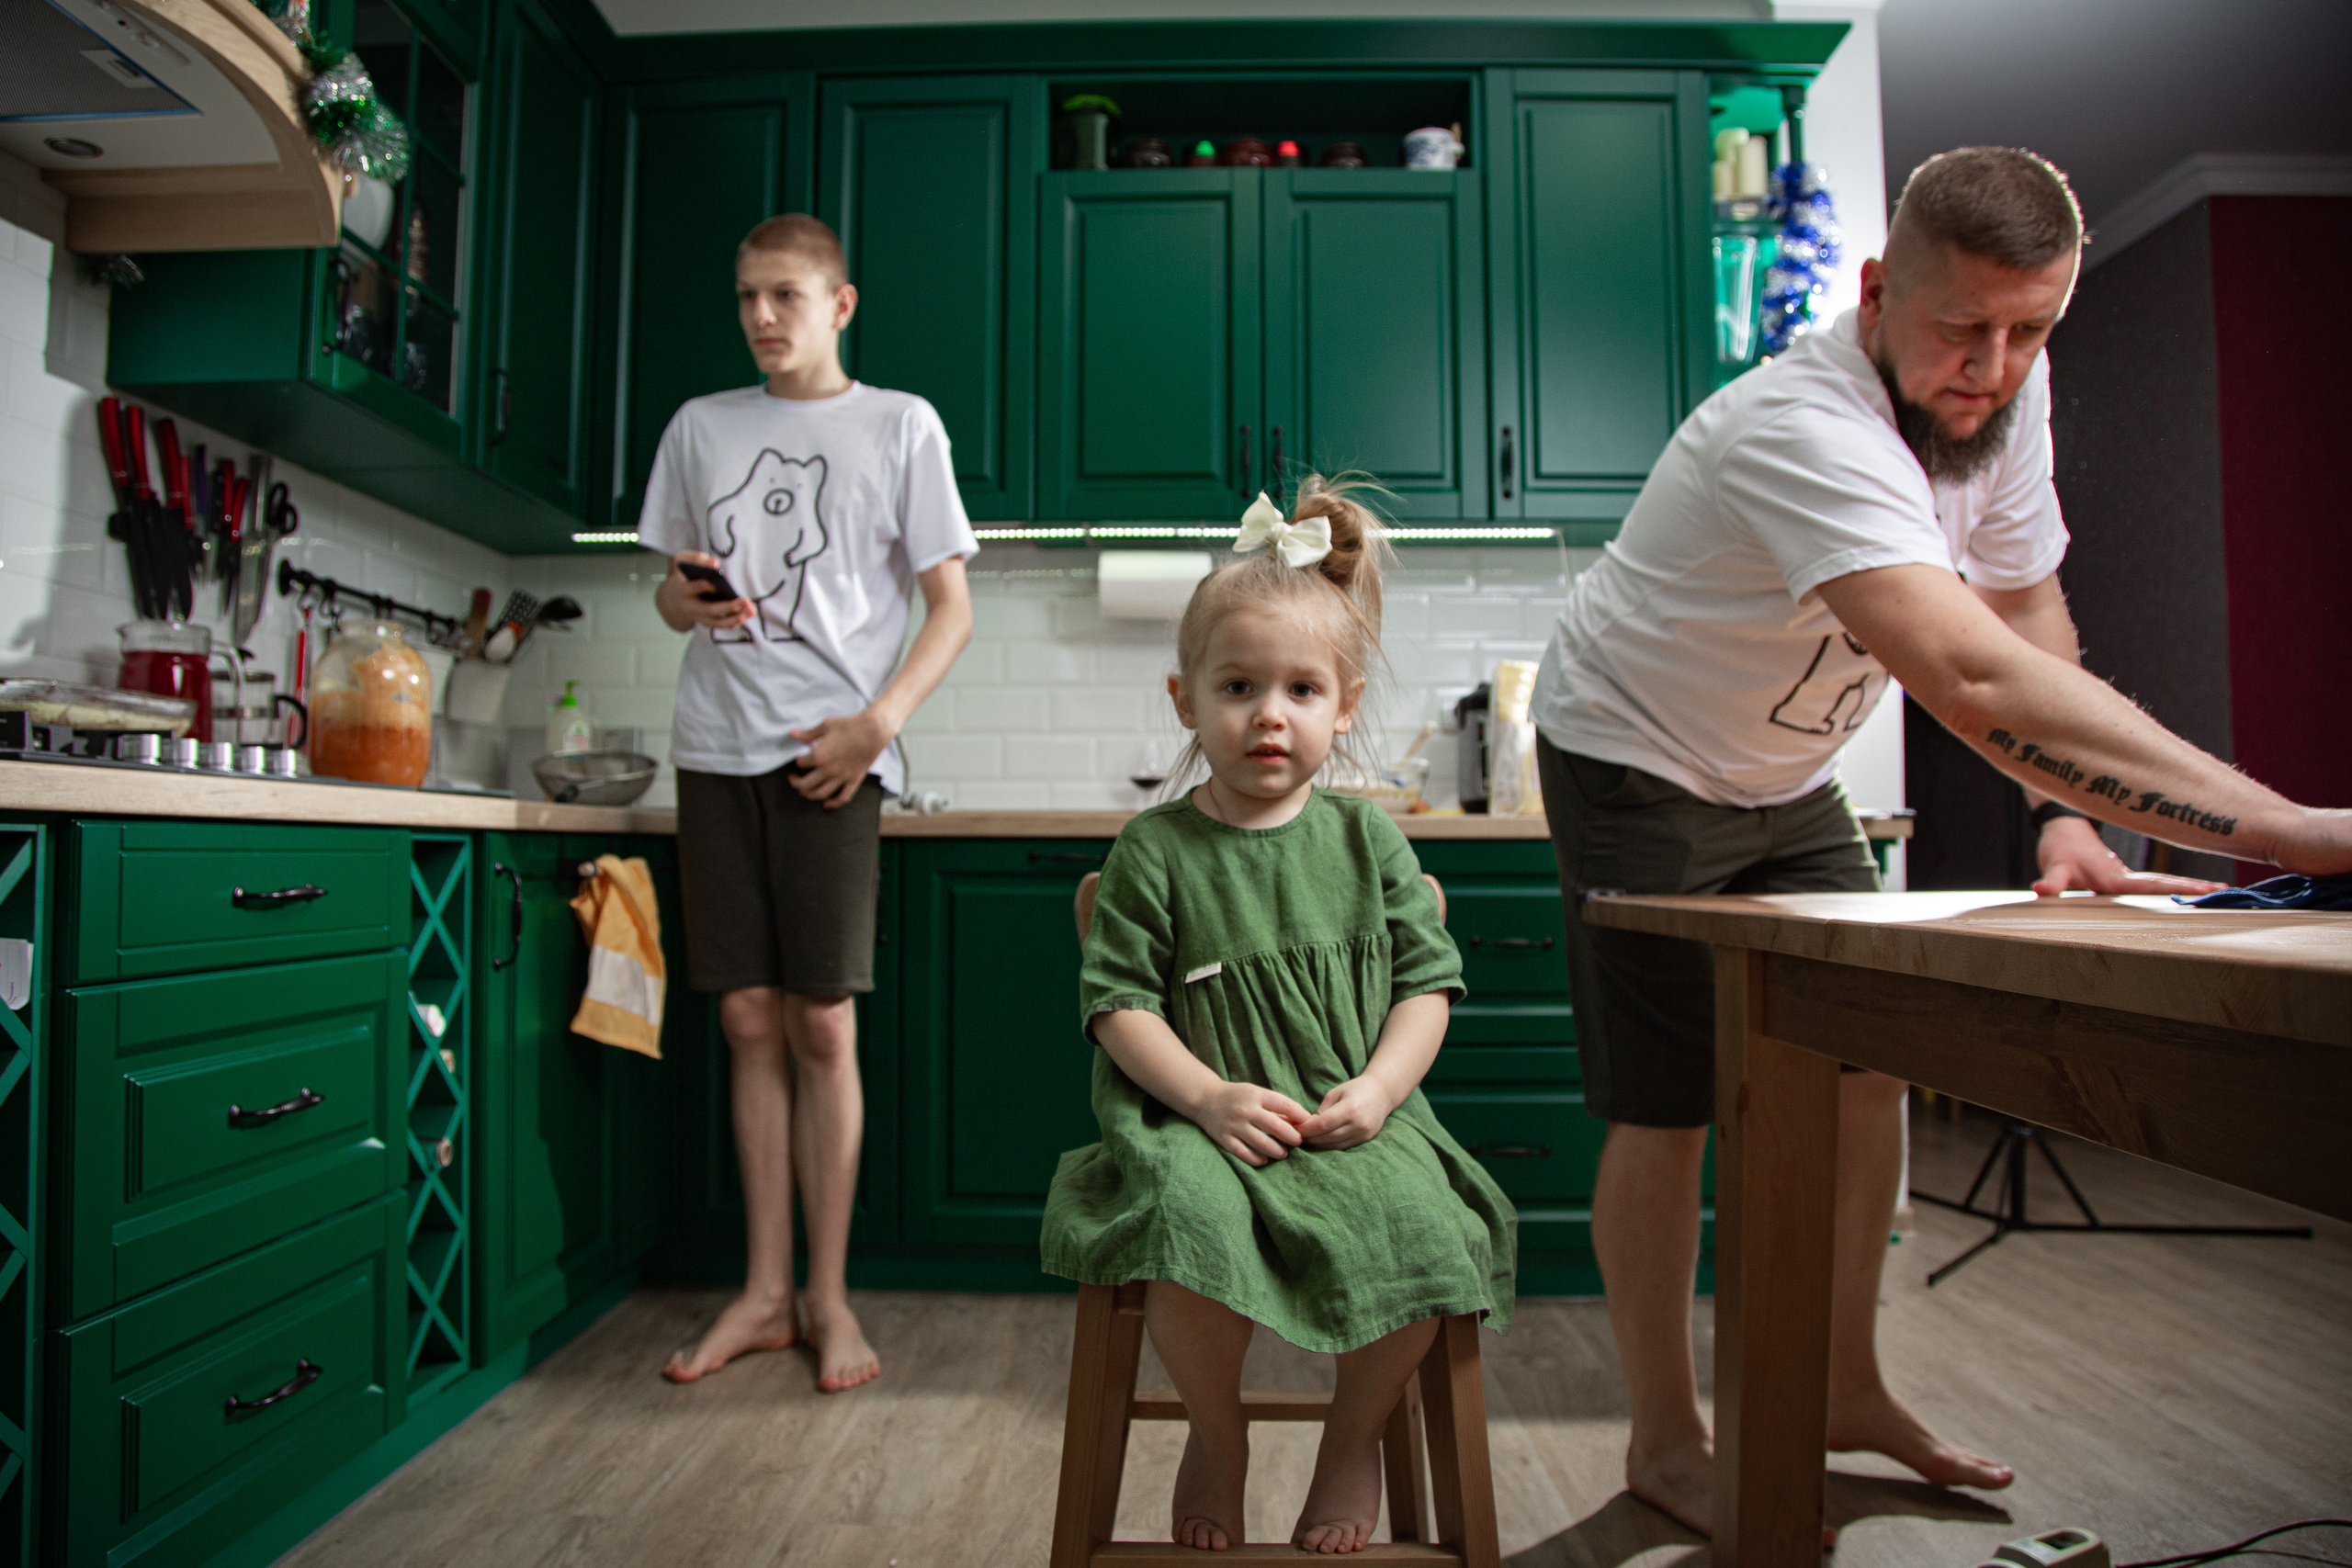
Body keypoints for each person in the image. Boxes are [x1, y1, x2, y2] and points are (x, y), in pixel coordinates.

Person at [1528, 145, 2352, 1534]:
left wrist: (2067, 812)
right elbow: (1967, 680)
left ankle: (1846, 1386)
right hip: (1636, 756)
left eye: (2032, 328)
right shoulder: (1803, 425)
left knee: (1870, 1059)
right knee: (1668, 1104)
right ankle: (1666, 1438)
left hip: (1788, 768)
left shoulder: (1998, 398)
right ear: (1873, 290)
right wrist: (2292, 831)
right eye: (1963, 325)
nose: (1995, 362)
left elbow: (2024, 606)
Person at [1042, 479, 1516, 1556]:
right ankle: (1220, 1433)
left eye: (1300, 689)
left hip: (1352, 1113)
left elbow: (1423, 988)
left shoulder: (1370, 844)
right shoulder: (1154, 853)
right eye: (1239, 686)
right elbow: (1114, 1004)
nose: (1268, 713)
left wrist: (1386, 1089)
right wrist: (1205, 1097)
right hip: (1194, 1119)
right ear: (1184, 698)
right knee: (1186, 1237)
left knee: (1428, 1235)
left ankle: (1352, 1440)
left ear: (1342, 706)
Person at [643, 213, 977, 1393]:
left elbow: (951, 610)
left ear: (841, 304)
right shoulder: (701, 428)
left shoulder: (900, 425)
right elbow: (670, 593)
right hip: (713, 746)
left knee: (821, 1022)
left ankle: (830, 1298)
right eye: (746, 297)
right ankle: (765, 1293)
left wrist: (877, 728)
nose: (761, 318)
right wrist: (682, 602)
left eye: (785, 295)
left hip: (833, 754)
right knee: (743, 1021)